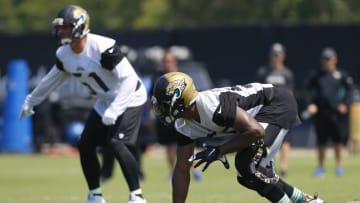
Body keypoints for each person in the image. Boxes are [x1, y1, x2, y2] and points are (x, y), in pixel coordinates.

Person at [19, 5, 147, 203]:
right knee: (85, 143)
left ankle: (136, 196)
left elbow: (129, 80)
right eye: (61, 27)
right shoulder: (64, 54)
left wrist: (115, 109)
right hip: (105, 100)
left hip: (130, 97)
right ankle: (95, 194)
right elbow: (50, 81)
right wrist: (31, 101)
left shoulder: (103, 47)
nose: (62, 31)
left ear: (80, 27)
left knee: (116, 143)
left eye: (67, 27)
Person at [151, 71, 325, 203]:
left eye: (164, 104)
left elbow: (256, 131)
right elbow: (182, 169)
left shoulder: (213, 107)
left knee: (247, 166)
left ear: (180, 101)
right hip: (257, 120)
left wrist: (219, 150)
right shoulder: (184, 124)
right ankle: (308, 201)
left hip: (276, 105)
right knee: (248, 176)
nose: (160, 109)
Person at [148, 49, 202, 181]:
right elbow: (152, 98)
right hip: (167, 118)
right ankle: (173, 171)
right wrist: (149, 116)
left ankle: (195, 170)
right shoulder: (158, 78)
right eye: (165, 61)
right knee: (169, 145)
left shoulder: (183, 77)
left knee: (189, 143)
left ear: (175, 62)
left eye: (170, 61)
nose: (168, 64)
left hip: (183, 116)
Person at [304, 47, 354, 177]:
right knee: (321, 141)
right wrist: (311, 104)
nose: (327, 61)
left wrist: (345, 104)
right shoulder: (316, 75)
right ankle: (320, 167)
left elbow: (350, 90)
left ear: (335, 60)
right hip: (321, 113)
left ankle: (339, 166)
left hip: (337, 114)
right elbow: (308, 91)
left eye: (329, 58)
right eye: (325, 59)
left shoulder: (341, 74)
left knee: (338, 141)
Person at [257, 42, 295, 177]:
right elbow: (258, 91)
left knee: (285, 139)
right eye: (273, 54)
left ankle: (284, 167)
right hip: (268, 110)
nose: (275, 57)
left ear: (283, 56)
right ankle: (267, 163)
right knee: (265, 139)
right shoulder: (263, 72)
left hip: (283, 110)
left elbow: (290, 92)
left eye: (278, 54)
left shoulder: (287, 73)